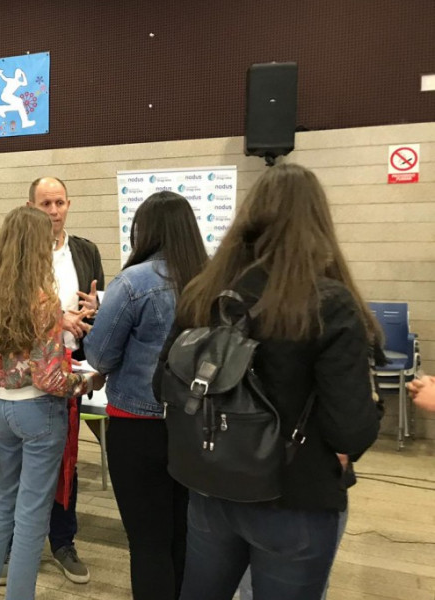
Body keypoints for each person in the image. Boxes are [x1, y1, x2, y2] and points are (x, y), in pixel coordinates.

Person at [157, 163, 381, 600]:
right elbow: (349, 431)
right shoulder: (328, 304)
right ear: (318, 224)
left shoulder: (205, 294)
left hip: (210, 485)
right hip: (296, 498)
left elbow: (161, 386)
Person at [0, 206, 105, 600]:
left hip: (2, 408)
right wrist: (88, 382)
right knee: (33, 513)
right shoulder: (43, 301)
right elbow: (51, 378)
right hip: (39, 412)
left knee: (4, 498)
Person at [84, 191, 207, 599]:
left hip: (138, 426)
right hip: (197, 426)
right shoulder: (210, 280)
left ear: (146, 231)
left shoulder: (134, 282)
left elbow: (99, 354)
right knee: (186, 535)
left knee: (148, 541)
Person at [23, 175, 103, 583]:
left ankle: (62, 540)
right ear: (31, 207)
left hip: (73, 370)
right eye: (45, 204)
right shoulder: (21, 254)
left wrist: (95, 307)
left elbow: (99, 306)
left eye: (59, 203)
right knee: (26, 465)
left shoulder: (86, 251)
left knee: (66, 461)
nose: (53, 211)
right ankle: (19, 544)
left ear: (69, 204)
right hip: (29, 374)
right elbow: (14, 308)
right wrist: (59, 318)